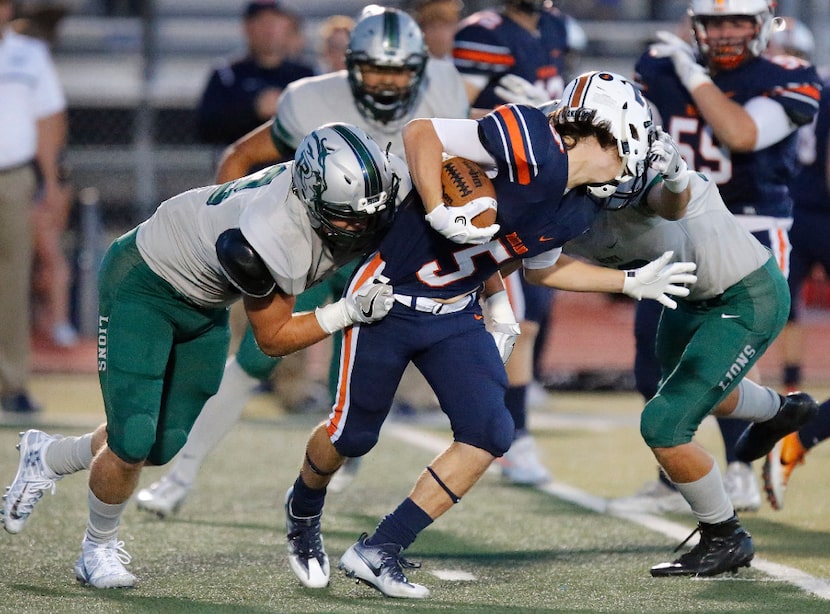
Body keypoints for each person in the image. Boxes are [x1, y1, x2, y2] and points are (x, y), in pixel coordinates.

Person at [283, 71, 696, 598]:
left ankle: (379, 548)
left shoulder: (583, 203)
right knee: (352, 435)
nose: (638, 166)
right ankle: (303, 508)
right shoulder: (529, 139)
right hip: (388, 297)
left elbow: (542, 268)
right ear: (615, 130)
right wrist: (436, 206)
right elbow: (421, 131)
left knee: (490, 432)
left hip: (456, 309)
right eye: (635, 147)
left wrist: (627, 281)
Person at [0, 122, 402, 589]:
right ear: (312, 197)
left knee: (160, 445)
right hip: (145, 285)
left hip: (206, 303)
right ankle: (96, 550)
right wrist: (348, 312)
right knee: (132, 440)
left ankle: (47, 456)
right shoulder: (269, 232)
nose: (362, 224)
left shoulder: (371, 182)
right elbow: (272, 339)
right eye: (347, 215)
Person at [134, 6, 472, 517]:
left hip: (393, 249)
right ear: (350, 64)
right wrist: (233, 220)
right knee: (254, 357)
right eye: (375, 68)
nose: (385, 82)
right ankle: (181, 475)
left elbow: (459, 170)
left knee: (365, 367)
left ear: (421, 68)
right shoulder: (312, 99)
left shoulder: (446, 87)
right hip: (317, 246)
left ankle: (341, 463)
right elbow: (241, 155)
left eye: (398, 70)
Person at [564, 126, 819, 576]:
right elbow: (538, 266)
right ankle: (782, 411)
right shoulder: (559, 192)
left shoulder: (656, 180)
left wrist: (677, 177)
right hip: (686, 297)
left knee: (664, 424)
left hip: (745, 296)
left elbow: (672, 199)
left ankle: (725, 535)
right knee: (709, 397)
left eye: (604, 148)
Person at [608, 0, 822, 514]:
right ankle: (672, 473)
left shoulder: (789, 74)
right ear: (696, 26)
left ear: (762, 26)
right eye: (714, 23)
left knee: (717, 358)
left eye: (737, 23)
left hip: (749, 228)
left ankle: (739, 469)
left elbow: (741, 134)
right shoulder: (660, 67)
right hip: (674, 225)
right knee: (650, 357)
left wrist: (693, 77)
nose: (724, 34)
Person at [451, 0, 579, 485]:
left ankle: (505, 433)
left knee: (523, 317)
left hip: (532, 190)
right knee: (512, 318)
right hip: (484, 190)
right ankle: (512, 437)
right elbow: (451, 112)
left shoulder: (554, 26)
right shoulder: (484, 32)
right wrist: (523, 118)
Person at [0, 0, 67, 414]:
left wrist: (52, 182)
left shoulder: (30, 54)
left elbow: (49, 119)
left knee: (13, 281)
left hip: (13, 176)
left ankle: (10, 384)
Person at [195, 0, 313, 147]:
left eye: (275, 22)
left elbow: (321, 122)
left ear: (287, 26)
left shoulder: (305, 74)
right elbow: (205, 128)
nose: (269, 30)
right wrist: (253, 108)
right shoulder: (227, 74)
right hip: (243, 166)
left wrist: (288, 111)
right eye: (261, 22)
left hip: (294, 166)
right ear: (247, 28)